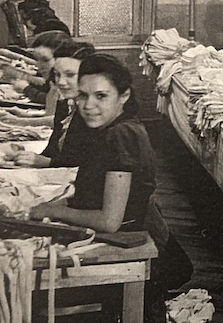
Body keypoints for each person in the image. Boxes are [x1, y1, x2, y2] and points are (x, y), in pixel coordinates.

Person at [30, 53, 156, 233]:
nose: (88, 105)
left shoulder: (122, 135)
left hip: (128, 241)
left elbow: (109, 222)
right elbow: (87, 194)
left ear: (124, 95)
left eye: (101, 96)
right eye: (82, 95)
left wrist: (54, 211)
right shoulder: (107, 128)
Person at [11, 41, 96, 167]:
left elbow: (85, 161)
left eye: (70, 75)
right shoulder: (65, 103)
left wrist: (46, 162)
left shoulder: (93, 112)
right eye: (57, 74)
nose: (61, 82)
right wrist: (26, 158)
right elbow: (53, 148)